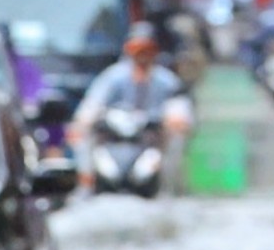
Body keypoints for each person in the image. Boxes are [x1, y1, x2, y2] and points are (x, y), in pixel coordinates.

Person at [72, 24, 193, 186]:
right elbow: (92, 104)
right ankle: (86, 181)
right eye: (137, 49)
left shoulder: (167, 81)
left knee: (177, 136)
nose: (142, 54)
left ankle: (167, 186)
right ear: (128, 49)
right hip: (116, 134)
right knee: (79, 132)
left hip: (150, 137)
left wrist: (175, 119)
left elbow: (179, 110)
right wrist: (85, 120)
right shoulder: (113, 77)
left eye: (146, 49)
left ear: (155, 50)